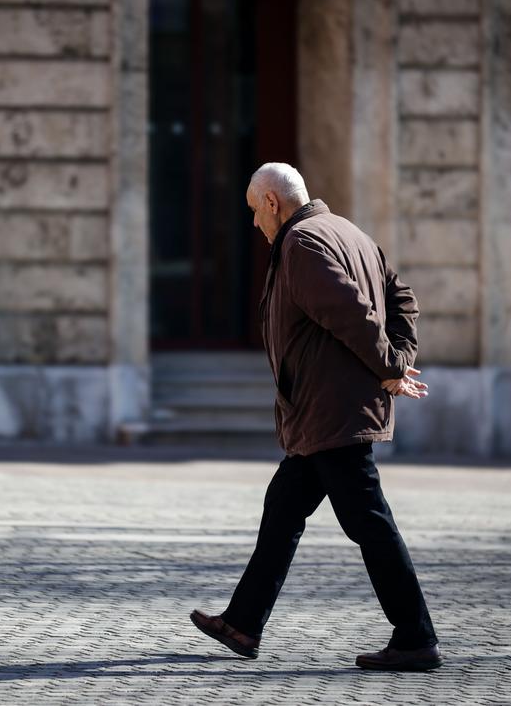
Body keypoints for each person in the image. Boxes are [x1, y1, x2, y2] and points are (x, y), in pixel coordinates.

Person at [190, 163, 441, 671]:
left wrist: (392, 366)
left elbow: (351, 312)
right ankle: (242, 623)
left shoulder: (302, 243)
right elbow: (403, 299)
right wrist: (394, 360)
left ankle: (416, 638)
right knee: (283, 506)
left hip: (334, 412)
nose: (254, 226)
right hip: (324, 412)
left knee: (369, 522)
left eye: (253, 212)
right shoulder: (350, 233)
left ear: (271, 203)